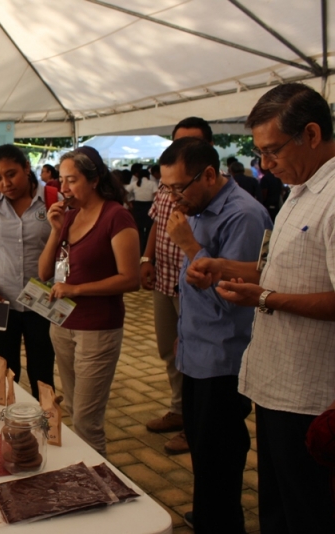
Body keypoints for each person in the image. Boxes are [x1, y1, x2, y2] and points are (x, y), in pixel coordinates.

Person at [189, 82, 335, 533]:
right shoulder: (299, 187)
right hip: (276, 381)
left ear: (311, 135)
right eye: (260, 153)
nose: (264, 165)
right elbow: (280, 267)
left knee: (307, 510)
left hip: (311, 392)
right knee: (276, 504)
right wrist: (226, 267)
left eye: (272, 151)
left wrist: (265, 298)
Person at [160, 136, 272, 533]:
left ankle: (223, 523)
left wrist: (191, 246)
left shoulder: (243, 215)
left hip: (225, 359)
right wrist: (183, 334)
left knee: (221, 452)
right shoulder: (198, 206)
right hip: (197, 350)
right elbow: (192, 288)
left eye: (178, 187)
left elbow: (235, 299)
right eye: (167, 188)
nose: (174, 198)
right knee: (203, 448)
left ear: (209, 174)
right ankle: (209, 515)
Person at [37, 146, 140, 456]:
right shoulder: (69, 217)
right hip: (63, 323)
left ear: (94, 180)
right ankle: (84, 476)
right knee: (72, 406)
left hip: (98, 327)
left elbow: (130, 278)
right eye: (61, 180)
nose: (64, 189)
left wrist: (76, 290)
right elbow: (44, 272)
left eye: (72, 180)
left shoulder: (116, 216)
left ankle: (98, 484)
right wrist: (55, 231)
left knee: (86, 419)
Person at [141, 116, 214, 455]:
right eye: (176, 143)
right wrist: (146, 260)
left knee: (193, 354)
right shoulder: (168, 184)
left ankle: (193, 423)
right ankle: (179, 408)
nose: (181, 150)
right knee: (168, 349)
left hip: (196, 285)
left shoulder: (212, 194)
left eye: (191, 143)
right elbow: (157, 222)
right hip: (166, 278)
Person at [0, 145, 57, 400]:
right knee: (4, 368)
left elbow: (67, 250)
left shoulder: (53, 200)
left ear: (27, 168)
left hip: (42, 302)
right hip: (0, 300)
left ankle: (45, 424)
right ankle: (9, 424)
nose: (5, 183)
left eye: (12, 174)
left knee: (42, 370)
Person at [125, 168, 158, 254]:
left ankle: (138, 251)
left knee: (138, 230)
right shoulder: (152, 183)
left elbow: (123, 192)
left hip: (138, 207)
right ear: (148, 175)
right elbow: (157, 196)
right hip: (149, 206)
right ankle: (147, 251)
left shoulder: (134, 183)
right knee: (149, 231)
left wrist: (128, 203)